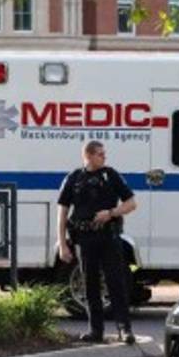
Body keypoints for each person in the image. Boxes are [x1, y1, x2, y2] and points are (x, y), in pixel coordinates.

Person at [57, 140, 138, 343]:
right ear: (89, 156)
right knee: (90, 285)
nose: (104, 157)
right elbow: (63, 212)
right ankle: (96, 331)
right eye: (101, 154)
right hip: (84, 239)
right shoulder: (74, 178)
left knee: (116, 283)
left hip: (109, 237)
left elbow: (131, 203)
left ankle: (124, 329)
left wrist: (111, 213)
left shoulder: (111, 175)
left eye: (104, 154)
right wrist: (62, 243)